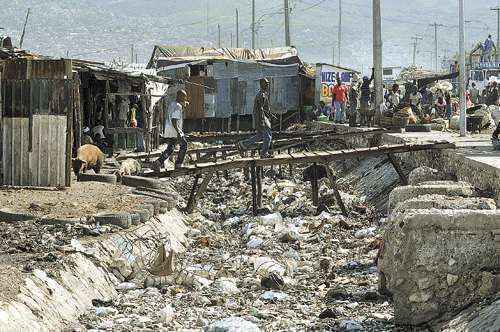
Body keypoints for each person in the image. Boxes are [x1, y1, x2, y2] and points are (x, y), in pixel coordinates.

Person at [153, 89, 188, 171]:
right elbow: (174, 120)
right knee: (184, 145)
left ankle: (158, 162)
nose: (185, 98)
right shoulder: (178, 106)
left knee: (170, 148)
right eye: (184, 97)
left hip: (169, 129)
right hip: (175, 130)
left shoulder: (172, 104)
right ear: (179, 96)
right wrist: (179, 131)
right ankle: (179, 164)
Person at [238, 78, 274, 158]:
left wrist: (270, 114)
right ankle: (264, 153)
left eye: (268, 83)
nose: (268, 85)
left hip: (262, 118)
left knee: (260, 135)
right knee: (268, 137)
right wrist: (262, 121)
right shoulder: (261, 95)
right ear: (262, 84)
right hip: (262, 119)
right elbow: (260, 109)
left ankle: (243, 144)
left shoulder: (263, 94)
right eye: (266, 83)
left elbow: (264, 108)